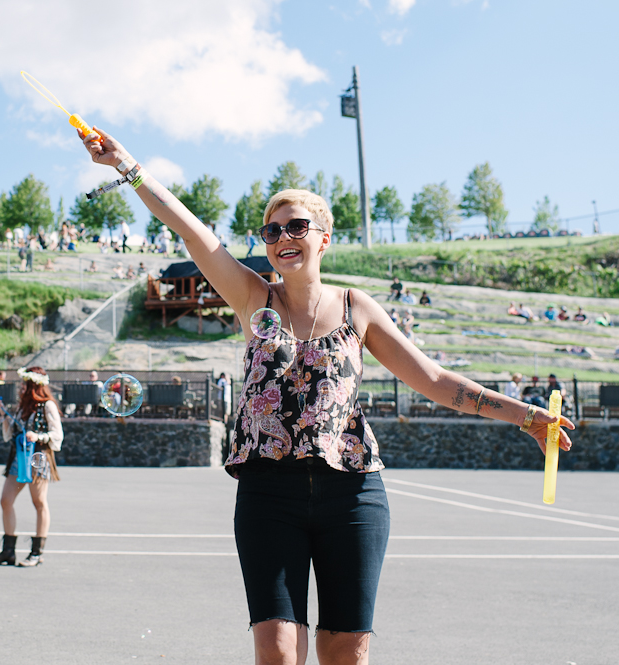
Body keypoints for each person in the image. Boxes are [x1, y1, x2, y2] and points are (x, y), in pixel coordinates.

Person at [79, 123, 573, 665]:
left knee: (344, 654)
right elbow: (194, 232)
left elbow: (434, 381)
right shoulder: (253, 298)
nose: (283, 238)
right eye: (271, 232)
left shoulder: (357, 307)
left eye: (296, 226)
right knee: (278, 651)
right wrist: (127, 165)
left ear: (324, 237)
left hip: (353, 496)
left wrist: (522, 413)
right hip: (268, 492)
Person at [0, 367, 63, 568]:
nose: (21, 387)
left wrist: (38, 436)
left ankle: (37, 553)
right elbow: (11, 432)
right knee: (6, 500)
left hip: (38, 458)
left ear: (34, 385)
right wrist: (3, 413)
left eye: (25, 384)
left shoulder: (47, 406)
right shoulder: (23, 407)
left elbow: (57, 436)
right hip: (19, 458)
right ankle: (8, 551)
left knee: (39, 501)